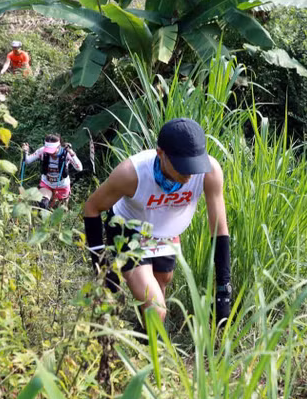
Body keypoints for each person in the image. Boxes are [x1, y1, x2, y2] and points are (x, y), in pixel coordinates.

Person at [82, 118, 232, 329]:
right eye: (182, 168)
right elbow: (91, 207)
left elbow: (219, 229)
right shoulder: (131, 174)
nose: (188, 176)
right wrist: (101, 267)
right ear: (160, 153)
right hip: (130, 230)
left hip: (167, 234)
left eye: (193, 167)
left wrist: (224, 288)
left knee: (162, 282)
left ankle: (141, 346)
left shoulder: (210, 172)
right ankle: (146, 354)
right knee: (156, 308)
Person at [22, 133, 83, 210]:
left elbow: (79, 168)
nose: (50, 153)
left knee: (61, 210)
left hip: (62, 185)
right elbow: (27, 161)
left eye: (53, 150)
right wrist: (25, 152)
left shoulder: (66, 153)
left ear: (59, 146)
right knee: (42, 204)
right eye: (49, 150)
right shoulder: (43, 151)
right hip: (47, 183)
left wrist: (71, 152)